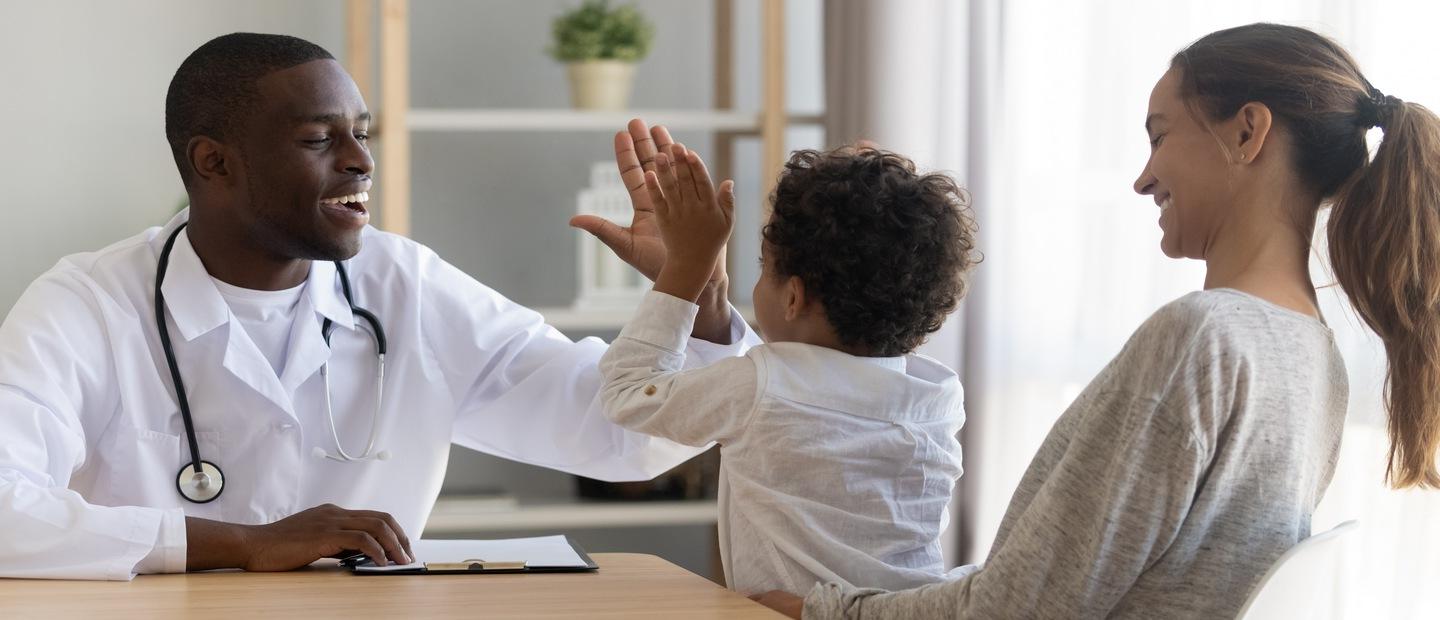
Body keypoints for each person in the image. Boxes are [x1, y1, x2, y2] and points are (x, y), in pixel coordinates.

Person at [0, 33, 753, 580]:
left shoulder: (408, 286)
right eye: (318, 139)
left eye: (360, 134)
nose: (360, 160)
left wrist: (695, 290)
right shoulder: (89, 305)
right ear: (214, 162)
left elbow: (616, 437)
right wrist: (245, 542)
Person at [756, 22, 1440, 619]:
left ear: (1247, 131)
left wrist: (827, 610)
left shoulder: (1205, 340)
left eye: (1160, 135)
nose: (1143, 179)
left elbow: (1016, 611)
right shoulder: (1312, 355)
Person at [596, 145, 979, 595]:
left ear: (793, 298)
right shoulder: (938, 396)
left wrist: (684, 270)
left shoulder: (759, 388)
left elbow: (627, 394)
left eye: (764, 268)